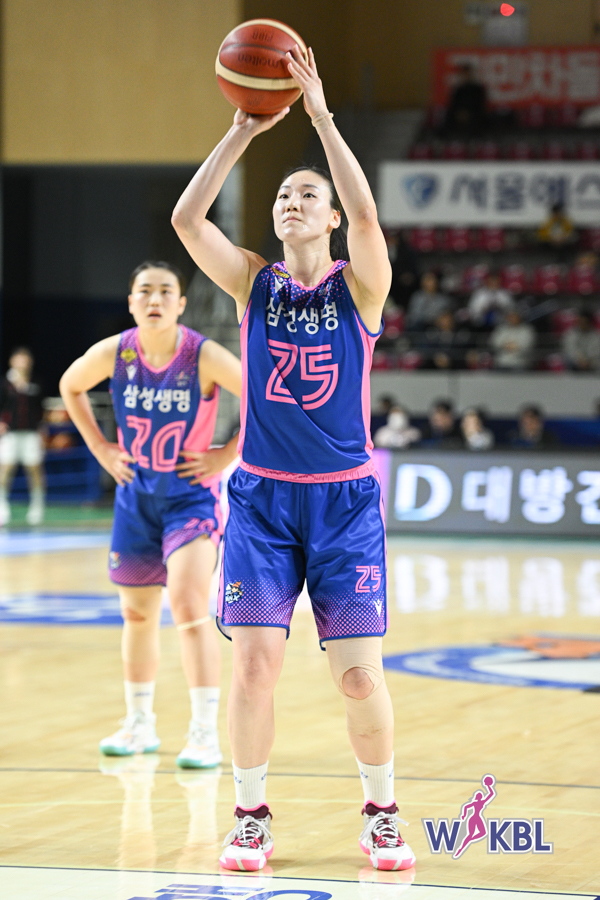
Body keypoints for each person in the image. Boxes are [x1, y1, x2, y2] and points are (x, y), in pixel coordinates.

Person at [171, 45, 416, 872]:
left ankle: (381, 812)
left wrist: (319, 118)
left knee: (358, 679)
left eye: (308, 194)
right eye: (283, 195)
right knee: (253, 669)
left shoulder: (361, 287)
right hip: (263, 502)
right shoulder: (254, 284)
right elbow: (188, 222)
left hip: (344, 502)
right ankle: (250, 816)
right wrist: (243, 131)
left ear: (332, 217)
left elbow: (371, 219)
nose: (292, 202)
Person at [59, 261, 242, 768]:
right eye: (145, 291)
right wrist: (101, 449)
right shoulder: (117, 352)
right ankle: (139, 723)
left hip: (190, 499)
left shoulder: (201, 354)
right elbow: (70, 385)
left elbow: (263, 396)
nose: (155, 299)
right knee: (137, 614)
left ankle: (204, 732)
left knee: (188, 605)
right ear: (132, 302)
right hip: (135, 498)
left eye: (165, 291)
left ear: (181, 303)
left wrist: (226, 455)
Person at [0, 347, 46, 526]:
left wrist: (42, 429)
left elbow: (40, 409)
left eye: (26, 359)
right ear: (12, 361)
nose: (23, 363)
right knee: (6, 469)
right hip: (10, 435)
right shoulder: (5, 384)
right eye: (19, 359)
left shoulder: (36, 383)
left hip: (31, 434)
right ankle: (2, 507)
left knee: (34, 470)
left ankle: (37, 507)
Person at [441, 63, 488, 138]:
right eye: (463, 74)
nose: (465, 76)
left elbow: (479, 104)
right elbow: (453, 104)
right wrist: (459, 113)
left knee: (480, 118)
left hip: (473, 113)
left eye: (467, 74)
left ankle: (476, 138)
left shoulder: (478, 89)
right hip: (458, 113)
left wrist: (467, 113)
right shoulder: (458, 90)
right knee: (447, 116)